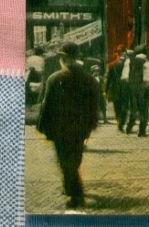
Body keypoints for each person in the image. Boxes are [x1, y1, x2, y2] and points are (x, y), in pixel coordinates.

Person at [36, 42, 99, 209]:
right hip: (80, 128)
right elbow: (94, 105)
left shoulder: (55, 78)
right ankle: (69, 187)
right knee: (75, 158)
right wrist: (91, 126)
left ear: (63, 59)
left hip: (60, 128)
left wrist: (42, 128)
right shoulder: (89, 79)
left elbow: (46, 106)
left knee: (65, 161)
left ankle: (76, 195)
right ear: (77, 57)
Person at [127, 53, 149, 136]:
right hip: (144, 91)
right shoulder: (146, 67)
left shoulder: (133, 68)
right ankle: (142, 131)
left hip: (134, 92)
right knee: (144, 112)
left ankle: (129, 128)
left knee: (135, 111)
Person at [117, 50, 135, 133]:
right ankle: (128, 126)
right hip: (129, 84)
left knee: (124, 105)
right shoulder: (131, 62)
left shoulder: (123, 62)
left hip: (123, 84)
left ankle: (121, 124)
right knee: (132, 105)